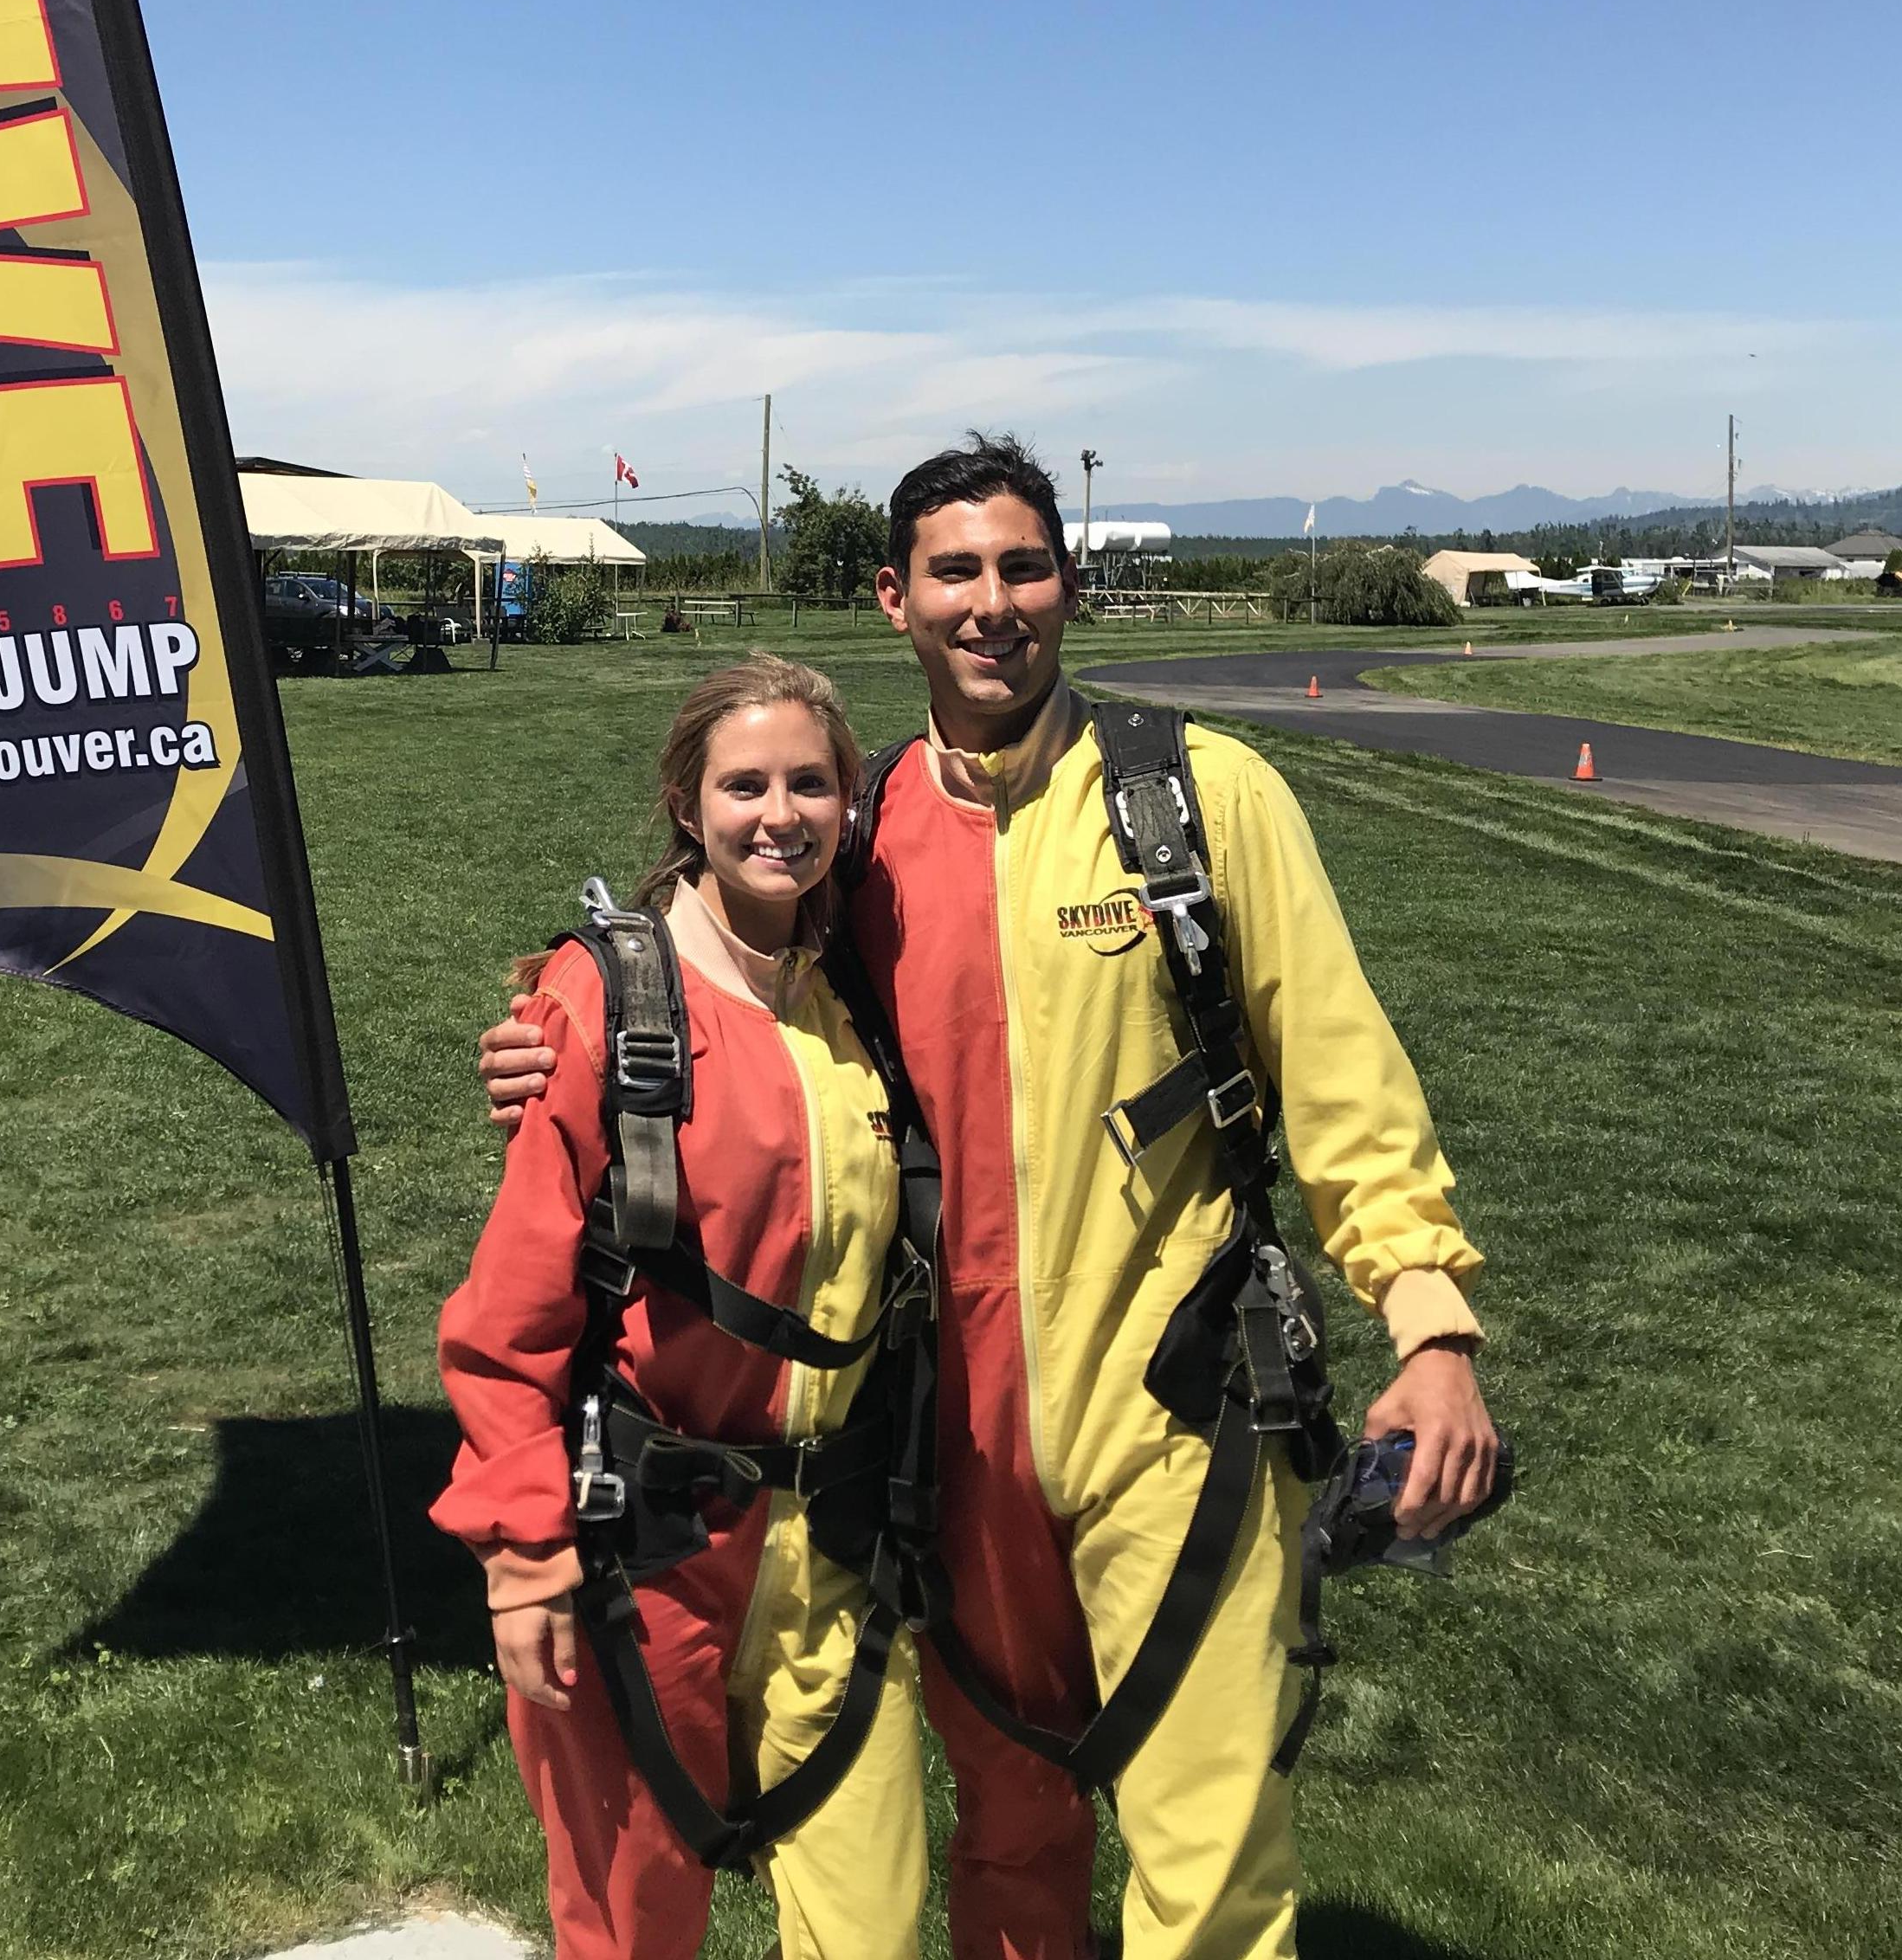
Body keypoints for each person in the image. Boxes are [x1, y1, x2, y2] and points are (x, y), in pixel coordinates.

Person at [482, 435, 1501, 1960]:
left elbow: (1346, 1082)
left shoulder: (1200, 801)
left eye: (1023, 566)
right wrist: (549, 1032)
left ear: (1066, 585)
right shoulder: (868, 832)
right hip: (942, 1447)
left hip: (1177, 1411)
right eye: (955, 571)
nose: (992, 602)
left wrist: (1430, 1325)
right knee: (1011, 1840)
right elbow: (724, 982)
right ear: (895, 600)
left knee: (1210, 1864)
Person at [435, 656, 927, 1960]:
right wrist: (523, 1552)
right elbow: (513, 1312)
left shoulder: (861, 996)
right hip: (644, 1559)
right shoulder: (609, 1001)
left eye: (812, 782)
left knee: (871, 1923)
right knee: (634, 1928)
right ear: (687, 804)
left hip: (834, 1546)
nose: (781, 814)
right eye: (746, 784)